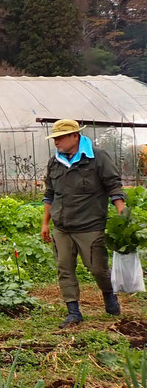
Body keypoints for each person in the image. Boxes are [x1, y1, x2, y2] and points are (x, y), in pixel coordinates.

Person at [41, 119, 125, 328]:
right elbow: (50, 194)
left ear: (74, 136)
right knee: (64, 268)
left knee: (97, 268)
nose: (56, 142)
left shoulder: (97, 158)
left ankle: (109, 295)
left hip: (90, 225)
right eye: (54, 138)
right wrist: (45, 223)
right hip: (62, 226)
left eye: (59, 138)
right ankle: (73, 312)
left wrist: (122, 211)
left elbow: (113, 185)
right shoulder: (55, 162)